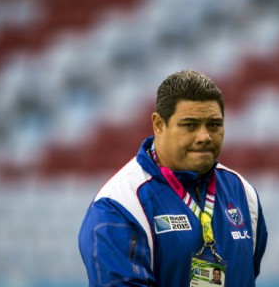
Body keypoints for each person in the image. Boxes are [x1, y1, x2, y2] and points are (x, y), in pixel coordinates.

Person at [79, 69, 268, 286]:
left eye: (214, 125)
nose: (204, 137)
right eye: (190, 125)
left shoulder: (243, 193)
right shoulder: (120, 205)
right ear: (159, 125)